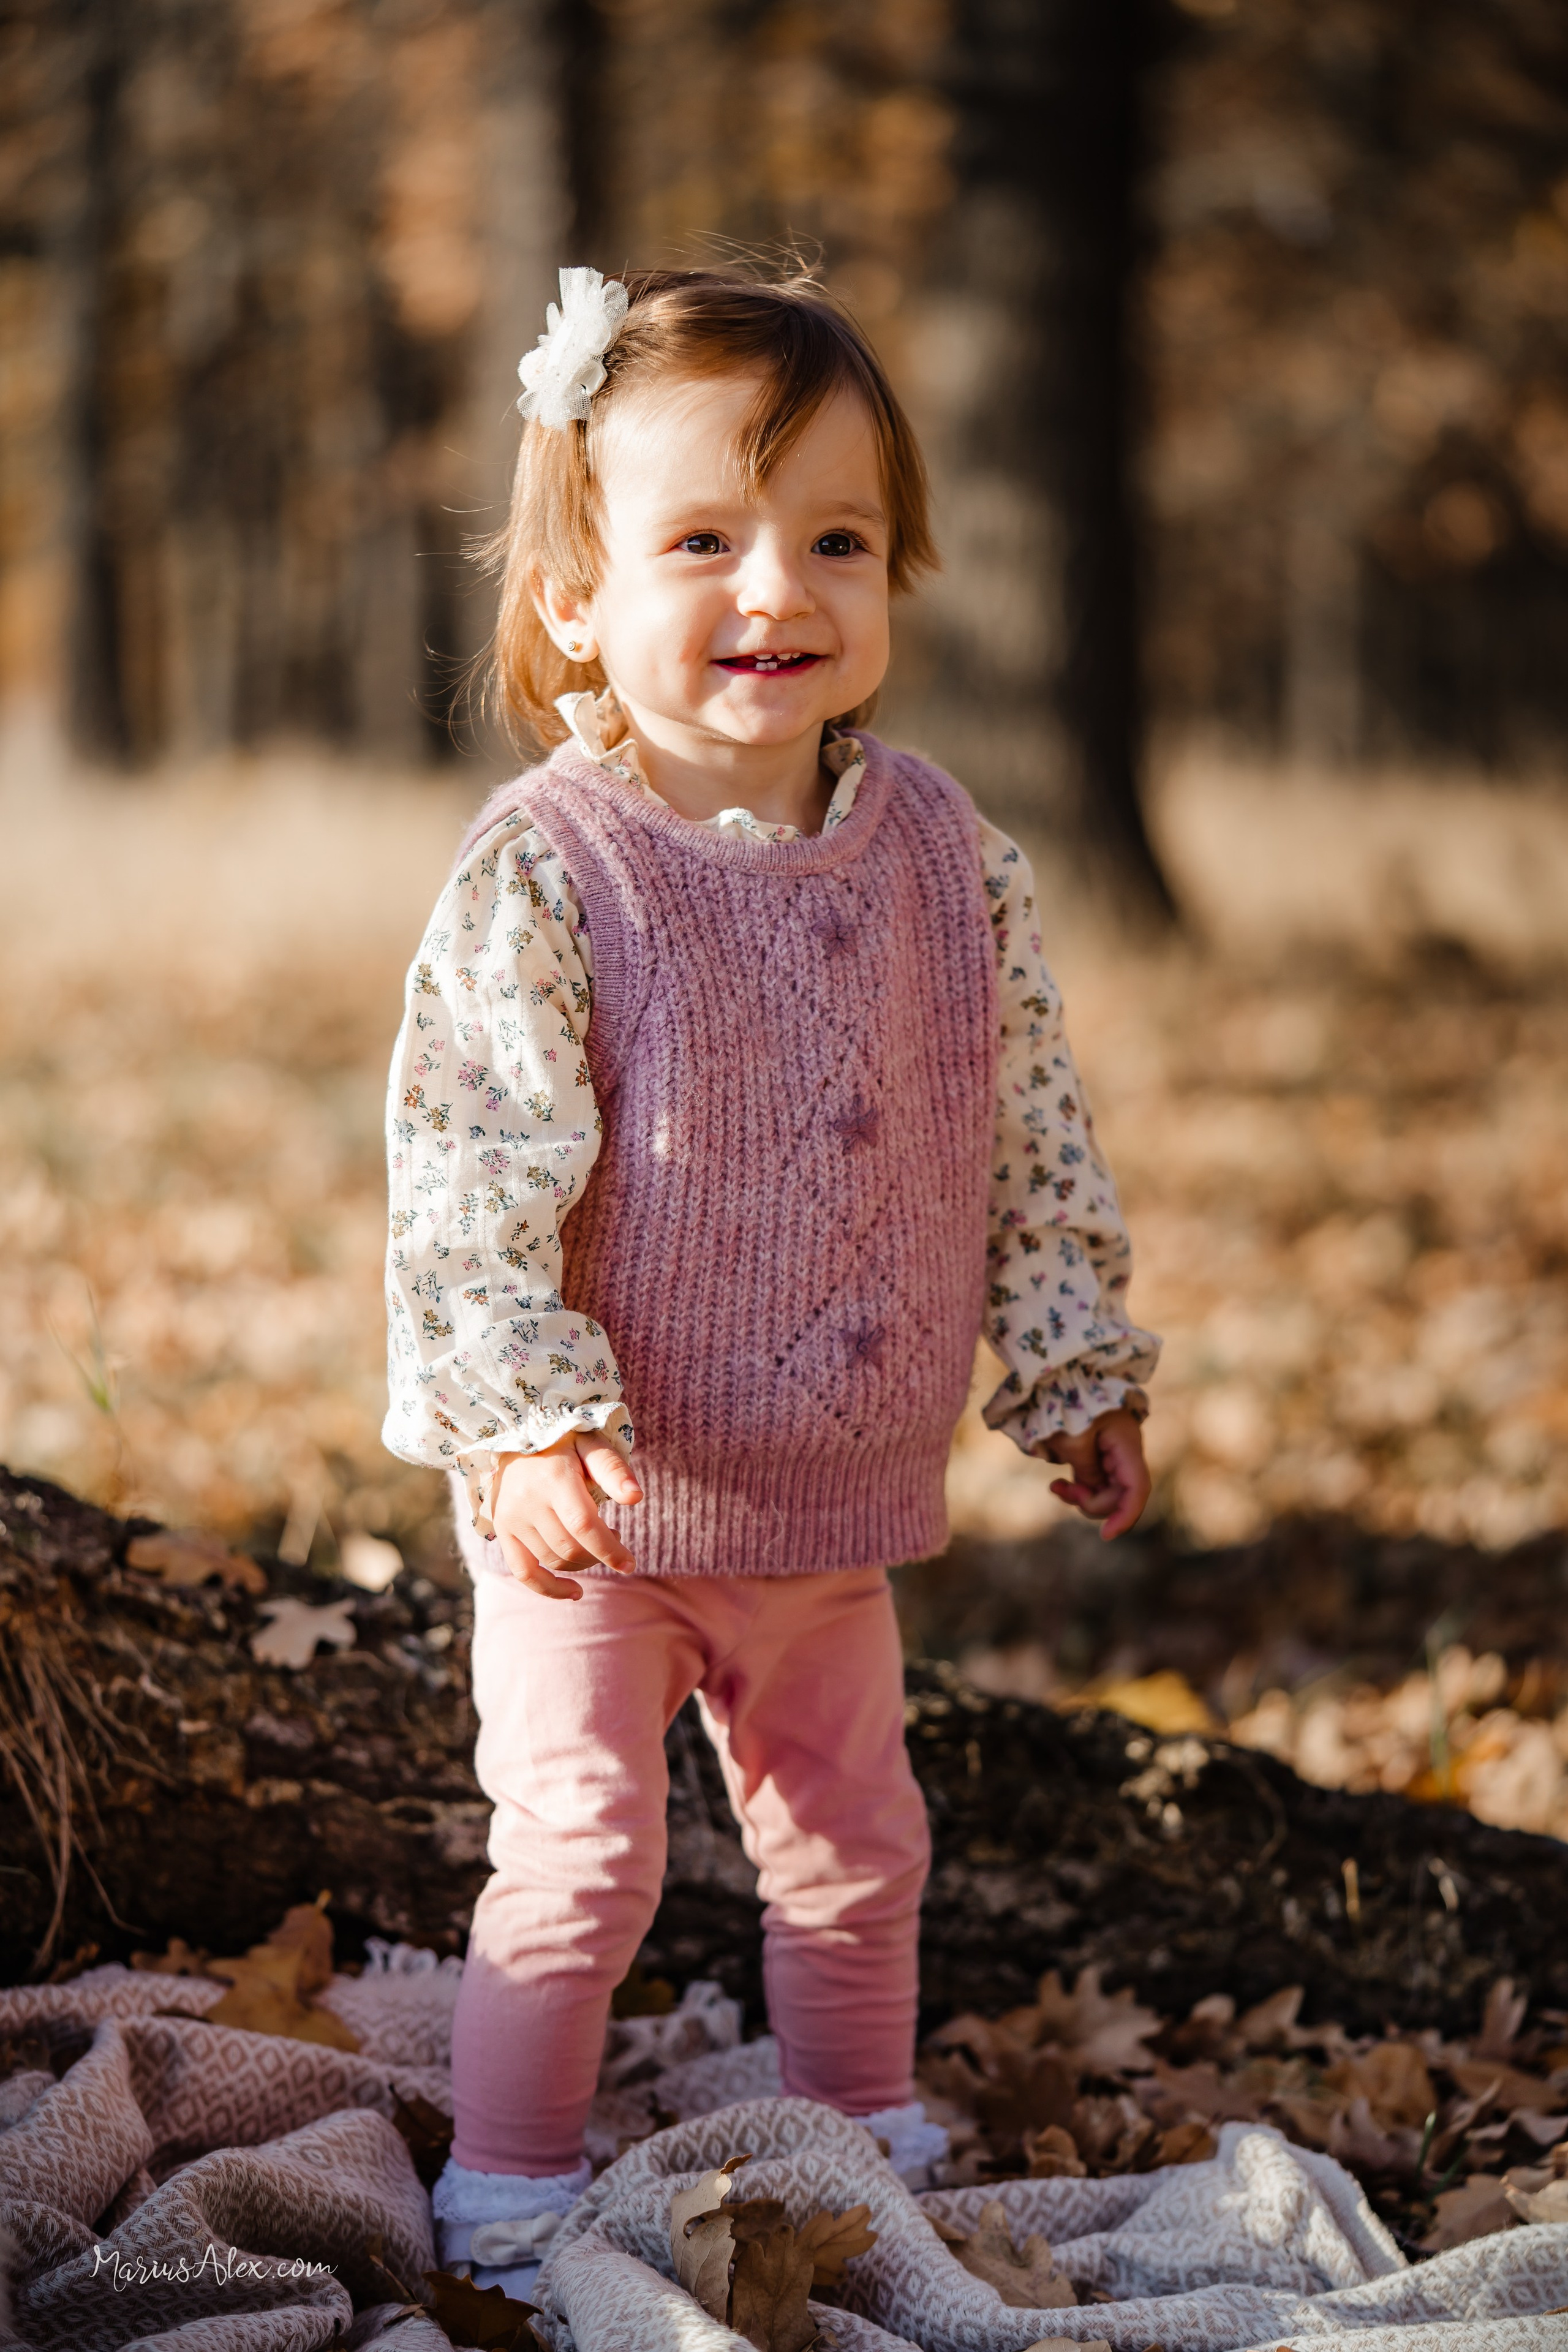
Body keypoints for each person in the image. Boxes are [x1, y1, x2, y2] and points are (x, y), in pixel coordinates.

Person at [383, 263, 1160, 2293]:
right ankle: (513, 2179)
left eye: (834, 540)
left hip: (828, 1495)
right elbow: (471, 1171)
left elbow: (1026, 1125)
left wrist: (1070, 1358)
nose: (776, 588)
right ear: (576, 597)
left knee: (855, 1837)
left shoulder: (944, 852)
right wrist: (528, 1416)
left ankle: (856, 2124)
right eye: (703, 541)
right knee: (577, 1857)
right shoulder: (552, 869)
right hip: (599, 1502)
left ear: (895, 576)